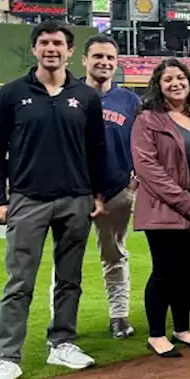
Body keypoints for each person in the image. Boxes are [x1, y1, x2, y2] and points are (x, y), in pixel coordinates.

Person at [0, 22, 107, 379]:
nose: (51, 49)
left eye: (58, 43)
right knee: (19, 281)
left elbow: (96, 150)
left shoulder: (85, 96)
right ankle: (7, 358)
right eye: (44, 43)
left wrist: (97, 194)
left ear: (70, 52)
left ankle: (62, 343)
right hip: (28, 198)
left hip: (75, 198)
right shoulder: (12, 94)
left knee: (69, 279)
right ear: (34, 49)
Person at [131, 60, 190, 358]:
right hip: (164, 209)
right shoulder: (148, 120)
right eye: (168, 79)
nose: (176, 83)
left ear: (189, 82)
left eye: (181, 78)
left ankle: (182, 328)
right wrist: (186, 202)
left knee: (184, 270)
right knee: (164, 270)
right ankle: (157, 334)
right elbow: (147, 167)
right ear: (158, 86)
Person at [80, 36, 141, 339]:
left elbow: (143, 145)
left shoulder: (129, 100)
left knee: (114, 254)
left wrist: (134, 184)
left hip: (117, 191)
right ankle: (61, 322)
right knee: (67, 258)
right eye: (97, 56)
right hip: (74, 192)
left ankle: (119, 317)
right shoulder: (70, 94)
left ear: (117, 63)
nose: (103, 62)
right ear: (84, 60)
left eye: (110, 58)